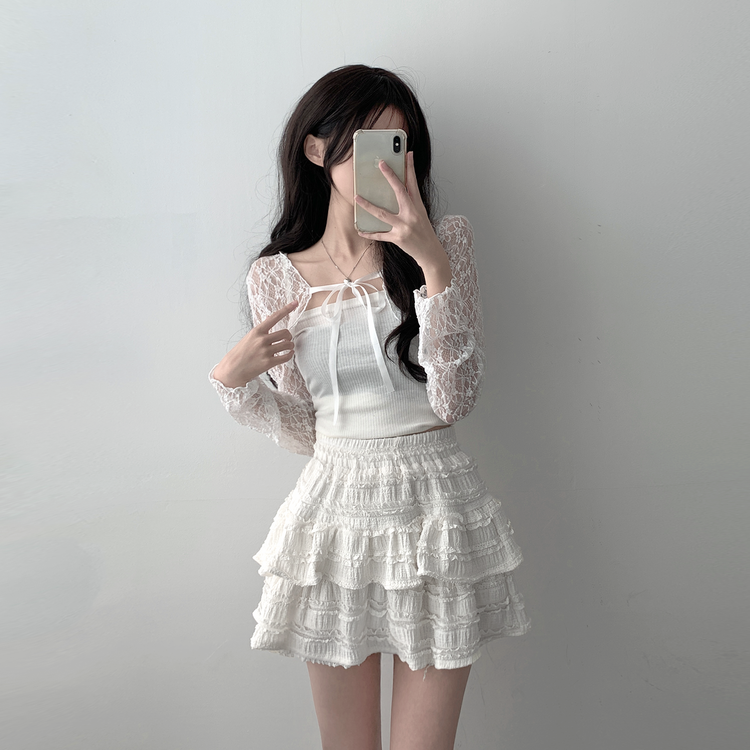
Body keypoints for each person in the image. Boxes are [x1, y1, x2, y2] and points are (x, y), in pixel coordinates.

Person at [209, 64, 531, 750]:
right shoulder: (275, 276)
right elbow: (309, 430)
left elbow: (456, 398)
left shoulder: (447, 242)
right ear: (315, 148)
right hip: (334, 519)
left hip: (436, 512)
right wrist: (236, 386)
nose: (384, 163)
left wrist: (431, 265)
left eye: (398, 144)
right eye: (365, 143)